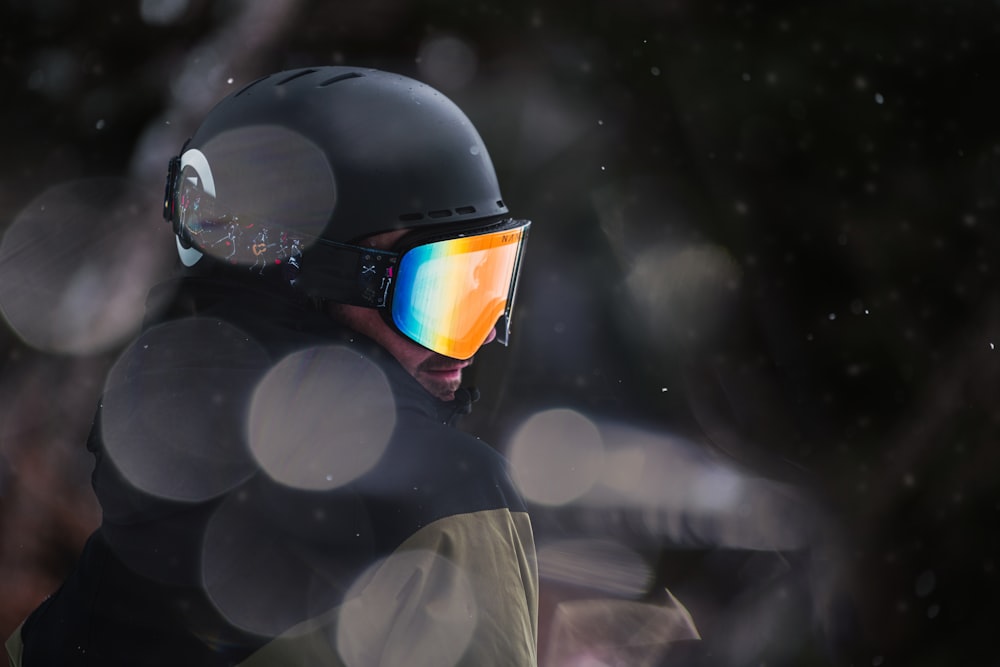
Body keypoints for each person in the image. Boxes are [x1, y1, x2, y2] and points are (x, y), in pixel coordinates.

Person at [6, 66, 538, 666]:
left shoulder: (120, 552)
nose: (482, 336)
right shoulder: (447, 495)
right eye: (438, 294)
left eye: (488, 286)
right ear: (305, 282)